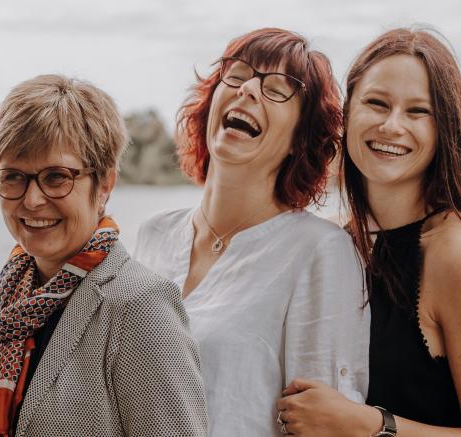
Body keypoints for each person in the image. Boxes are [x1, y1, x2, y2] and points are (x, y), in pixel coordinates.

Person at [276, 28, 461, 436]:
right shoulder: (331, 241)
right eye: (376, 103)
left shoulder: (459, 257)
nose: (392, 126)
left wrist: (372, 425)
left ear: (446, 129)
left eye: (417, 111)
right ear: (348, 111)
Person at [133, 28, 369, 436]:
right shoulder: (153, 235)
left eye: (278, 89)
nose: (248, 91)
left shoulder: (321, 252)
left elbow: (324, 427)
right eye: (238, 75)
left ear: (300, 138)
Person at [0, 74, 207, 437]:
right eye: (14, 176)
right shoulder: (8, 297)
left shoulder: (141, 307)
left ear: (105, 185)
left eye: (56, 177)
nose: (32, 200)